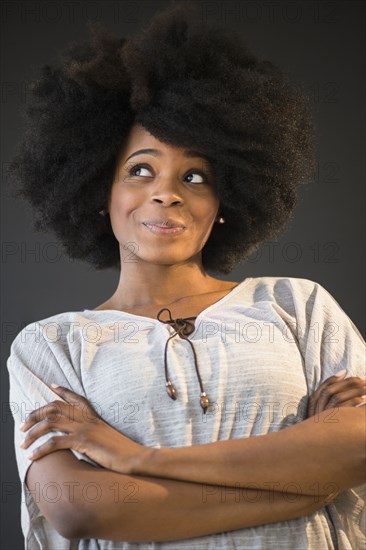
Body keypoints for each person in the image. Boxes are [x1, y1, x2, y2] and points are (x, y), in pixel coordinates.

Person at [6, 1, 365, 548]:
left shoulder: (298, 306)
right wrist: (304, 486)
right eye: (140, 169)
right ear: (100, 191)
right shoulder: (51, 345)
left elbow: (359, 447)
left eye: (195, 175)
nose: (167, 191)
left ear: (224, 201)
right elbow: (84, 510)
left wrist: (134, 457)